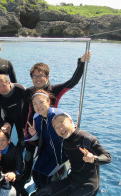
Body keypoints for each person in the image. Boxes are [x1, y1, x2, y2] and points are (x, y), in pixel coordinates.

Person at [22, 51, 91, 185]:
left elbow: (73, 81)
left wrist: (81, 63)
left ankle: (52, 183)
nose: (38, 79)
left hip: (50, 134)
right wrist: (22, 131)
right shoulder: (28, 92)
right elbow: (25, 113)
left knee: (49, 161)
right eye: (35, 76)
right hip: (31, 133)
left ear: (47, 76)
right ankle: (27, 177)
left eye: (41, 76)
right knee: (29, 158)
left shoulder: (55, 90)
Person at [26, 90, 67, 188]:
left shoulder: (59, 115)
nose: (38, 106)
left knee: (45, 176)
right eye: (35, 104)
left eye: (41, 102)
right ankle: (39, 192)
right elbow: (39, 137)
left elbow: (72, 134)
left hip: (61, 153)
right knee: (35, 173)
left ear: (48, 101)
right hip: (47, 150)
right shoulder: (36, 117)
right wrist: (34, 134)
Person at [0, 74, 26, 149]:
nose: (2, 89)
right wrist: (3, 123)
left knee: (22, 139)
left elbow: (30, 104)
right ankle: (7, 153)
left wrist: (26, 121)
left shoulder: (20, 89)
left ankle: (19, 154)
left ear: (9, 83)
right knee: (3, 137)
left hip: (22, 117)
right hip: (7, 119)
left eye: (3, 85)